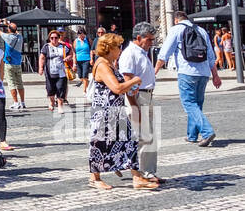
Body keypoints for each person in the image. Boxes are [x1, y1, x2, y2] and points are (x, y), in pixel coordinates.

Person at [89, 33, 157, 191]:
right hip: (104, 113)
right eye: (118, 46)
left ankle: (137, 178)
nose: (120, 49)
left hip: (116, 110)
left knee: (130, 142)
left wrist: (131, 88)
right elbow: (116, 88)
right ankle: (94, 177)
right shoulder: (102, 64)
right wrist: (135, 80)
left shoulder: (111, 63)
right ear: (109, 48)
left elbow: (121, 86)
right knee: (99, 145)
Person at [156, 11, 221, 146]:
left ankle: (207, 132)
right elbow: (210, 55)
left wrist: (154, 71)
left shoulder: (176, 29)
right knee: (197, 104)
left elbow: (164, 53)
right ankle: (192, 135)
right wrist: (215, 75)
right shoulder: (201, 30)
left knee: (189, 104)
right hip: (203, 73)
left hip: (187, 72)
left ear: (176, 20)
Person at [119, 22, 162, 184]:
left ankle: (149, 171)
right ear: (139, 38)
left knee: (149, 135)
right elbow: (127, 81)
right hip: (137, 98)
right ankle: (143, 173)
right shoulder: (130, 53)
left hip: (147, 96)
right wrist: (134, 105)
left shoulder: (142, 52)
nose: (152, 43)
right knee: (144, 135)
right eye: (149, 40)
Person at [0, 17, 26, 111]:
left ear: (9, 30)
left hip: (9, 64)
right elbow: (15, 31)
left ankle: (16, 102)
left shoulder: (8, 37)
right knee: (20, 83)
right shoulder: (20, 37)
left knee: (12, 84)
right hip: (18, 63)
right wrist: (7, 24)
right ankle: (23, 102)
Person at [39, 29, 72, 113]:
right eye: (52, 38)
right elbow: (42, 57)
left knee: (61, 88)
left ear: (59, 38)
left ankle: (60, 106)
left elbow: (71, 53)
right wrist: (41, 68)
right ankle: (52, 102)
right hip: (50, 72)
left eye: (56, 38)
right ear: (49, 38)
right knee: (50, 89)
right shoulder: (46, 47)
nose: (54, 39)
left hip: (61, 71)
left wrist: (68, 58)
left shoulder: (64, 46)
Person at [73, 28, 92, 93]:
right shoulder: (76, 41)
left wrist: (91, 59)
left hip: (86, 59)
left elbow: (91, 50)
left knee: (85, 75)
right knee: (80, 76)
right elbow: (74, 53)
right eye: (80, 35)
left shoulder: (88, 40)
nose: (81, 36)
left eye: (83, 34)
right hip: (78, 60)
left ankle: (85, 90)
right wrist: (74, 64)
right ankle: (87, 83)